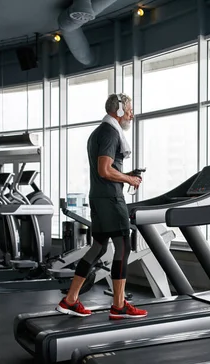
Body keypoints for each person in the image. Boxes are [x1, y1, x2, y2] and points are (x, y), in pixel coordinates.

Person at [56, 93, 148, 320]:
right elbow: (104, 170)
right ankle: (119, 305)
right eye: (129, 110)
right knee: (123, 246)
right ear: (118, 110)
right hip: (109, 198)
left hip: (99, 197)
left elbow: (105, 169)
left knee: (98, 247)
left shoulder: (99, 132)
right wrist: (129, 180)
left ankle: (70, 299)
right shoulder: (109, 132)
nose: (131, 115)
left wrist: (126, 175)